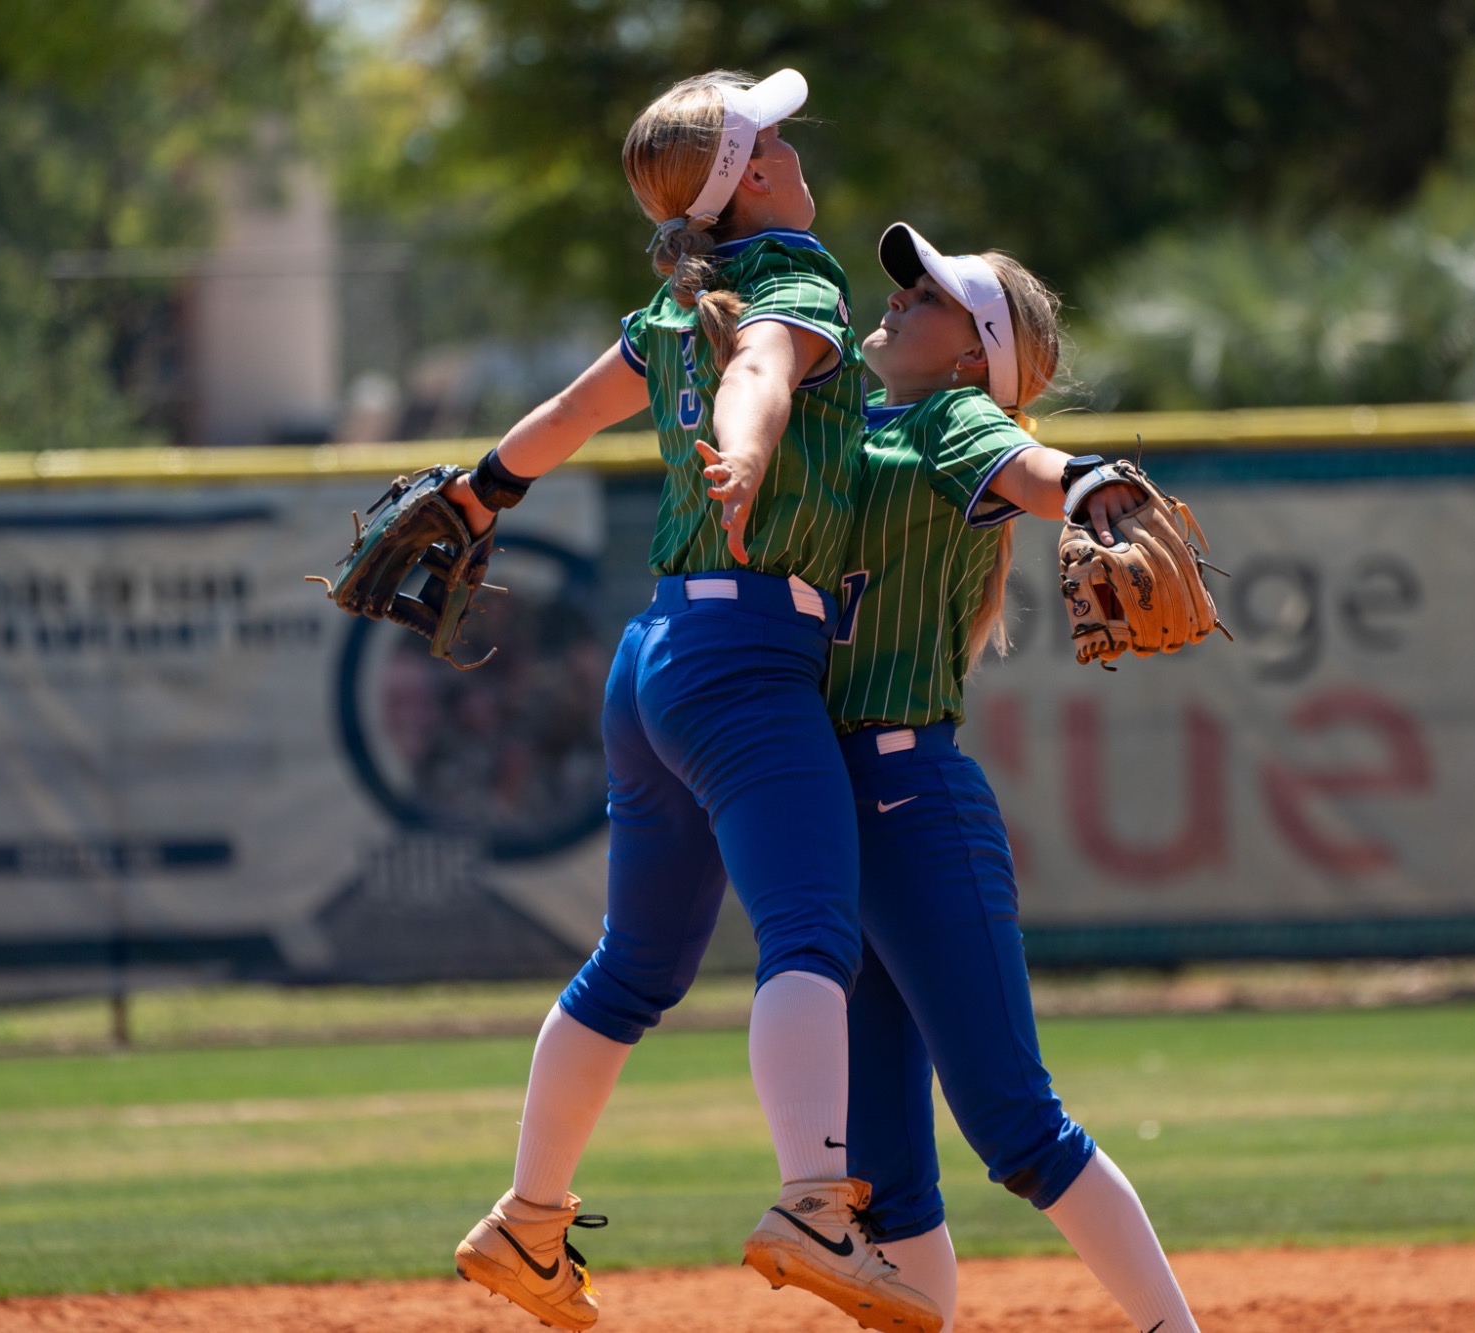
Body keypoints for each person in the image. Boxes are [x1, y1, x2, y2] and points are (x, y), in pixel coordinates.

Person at [444, 74, 939, 1333]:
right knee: (811, 932)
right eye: (769, 131)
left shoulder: (671, 306)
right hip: (750, 655)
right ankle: (813, 1205)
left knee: (636, 964)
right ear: (752, 175)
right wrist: (753, 444)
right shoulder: (791, 282)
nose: (787, 139)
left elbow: (560, 420)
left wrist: (479, 492)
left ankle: (527, 1220)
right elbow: (763, 369)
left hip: (654, 658)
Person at [819, 222, 1206, 1333]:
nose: (895, 299)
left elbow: (1028, 467)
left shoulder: (952, 419)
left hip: (909, 802)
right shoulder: (845, 419)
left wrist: (1085, 485)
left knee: (1012, 1124)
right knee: (879, 1170)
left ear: (969, 353)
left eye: (927, 296)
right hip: (827, 821)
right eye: (900, 286)